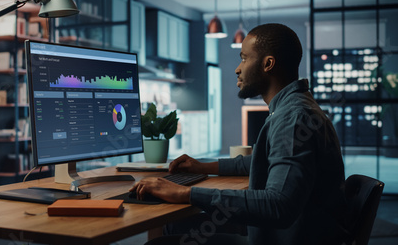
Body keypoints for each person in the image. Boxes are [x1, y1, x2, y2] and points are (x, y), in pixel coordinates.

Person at [129, 23, 346, 245]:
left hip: (285, 238)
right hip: (292, 232)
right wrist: (203, 167)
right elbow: (264, 161)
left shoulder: (293, 117)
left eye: (244, 58)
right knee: (176, 225)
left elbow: (278, 205)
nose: (237, 68)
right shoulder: (295, 107)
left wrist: (186, 194)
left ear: (268, 64)